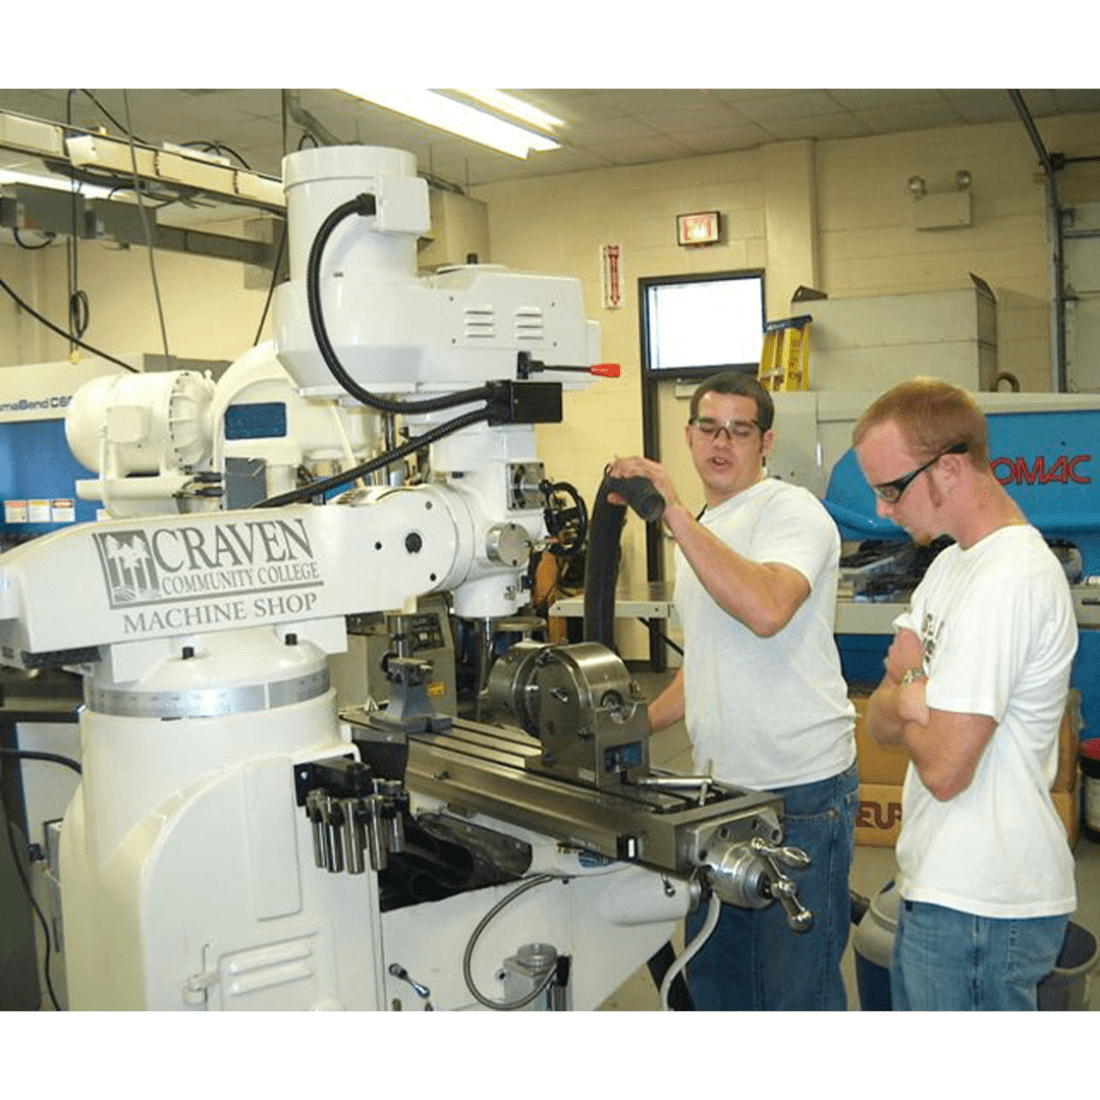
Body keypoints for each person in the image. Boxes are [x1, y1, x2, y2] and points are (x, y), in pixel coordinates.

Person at [608, 371, 857, 1011]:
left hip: (797, 790)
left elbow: (767, 610)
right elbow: (708, 665)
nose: (722, 442)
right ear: (689, 437)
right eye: (709, 428)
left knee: (795, 992)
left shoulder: (790, 512)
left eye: (739, 430)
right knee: (718, 980)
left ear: (765, 441)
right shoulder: (710, 524)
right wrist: (628, 729)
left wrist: (671, 515)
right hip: (719, 793)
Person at [852, 377, 1077, 1012]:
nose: (885, 509)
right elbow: (877, 721)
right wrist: (914, 699)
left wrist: (914, 686)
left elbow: (948, 767)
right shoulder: (952, 566)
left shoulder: (1010, 576)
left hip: (984, 901)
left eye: (892, 488)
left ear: (949, 468)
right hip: (944, 886)